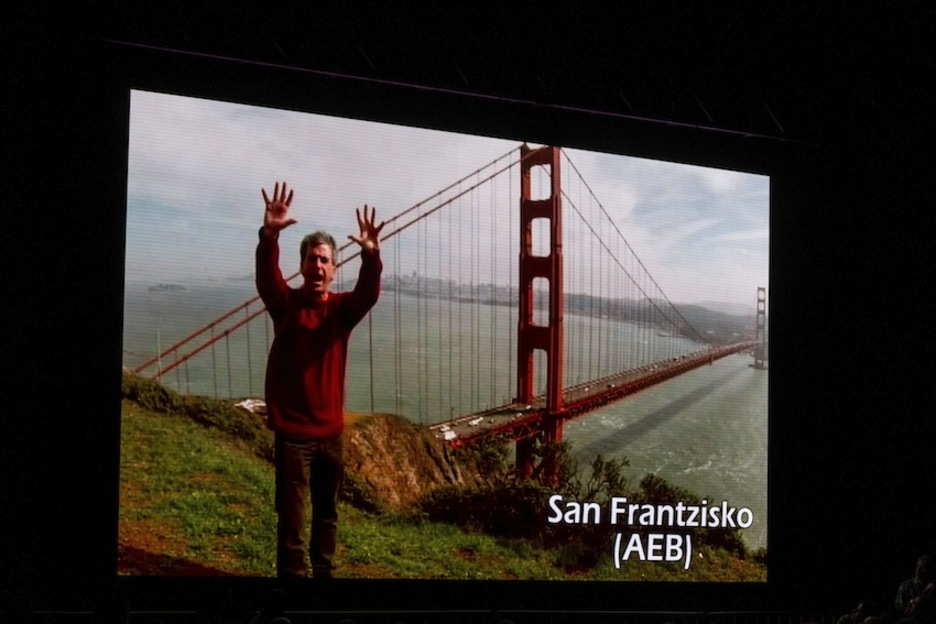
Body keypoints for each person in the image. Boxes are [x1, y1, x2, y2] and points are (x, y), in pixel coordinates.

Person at [256, 181, 384, 579]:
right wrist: (269, 236)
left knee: (327, 515)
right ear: (301, 265)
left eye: (325, 260)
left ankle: (323, 576)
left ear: (334, 269)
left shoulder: (343, 311)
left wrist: (372, 256)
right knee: (292, 521)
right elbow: (266, 278)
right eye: (311, 258)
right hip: (293, 436)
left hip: (331, 435)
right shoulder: (285, 304)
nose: (318, 265)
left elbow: (368, 293)